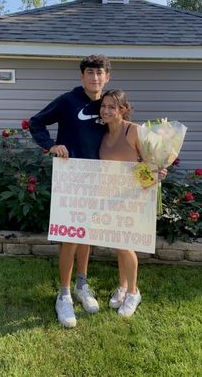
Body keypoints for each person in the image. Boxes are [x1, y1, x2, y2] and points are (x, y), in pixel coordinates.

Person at [29, 55, 111, 327]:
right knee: (69, 237)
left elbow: (126, 134)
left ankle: (81, 285)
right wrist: (51, 145)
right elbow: (36, 122)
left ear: (107, 77)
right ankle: (63, 295)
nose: (95, 78)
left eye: (99, 73)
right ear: (82, 76)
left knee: (85, 234)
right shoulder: (67, 101)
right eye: (90, 72)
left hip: (98, 179)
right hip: (71, 179)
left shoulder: (109, 105)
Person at [99, 89, 166, 317]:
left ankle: (133, 292)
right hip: (111, 197)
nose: (106, 110)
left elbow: (151, 163)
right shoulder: (103, 133)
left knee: (126, 246)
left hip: (133, 196)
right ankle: (123, 285)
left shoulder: (133, 130)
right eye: (103, 106)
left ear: (123, 110)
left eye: (111, 107)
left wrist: (158, 173)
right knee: (119, 244)